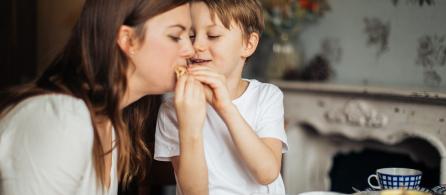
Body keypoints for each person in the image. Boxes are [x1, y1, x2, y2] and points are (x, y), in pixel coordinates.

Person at [0, 0, 208, 194]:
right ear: (127, 40)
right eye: (175, 36)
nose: (190, 50)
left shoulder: (110, 125)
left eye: (188, 36)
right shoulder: (61, 119)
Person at [154, 0, 289, 194]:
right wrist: (189, 125)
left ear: (248, 44)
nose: (197, 45)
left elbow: (267, 173)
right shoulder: (175, 107)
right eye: (190, 35)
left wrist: (225, 108)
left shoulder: (267, 96)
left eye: (213, 35)